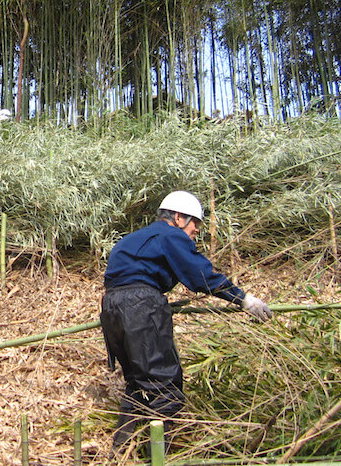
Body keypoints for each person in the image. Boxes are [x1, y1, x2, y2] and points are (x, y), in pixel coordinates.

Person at [101, 191, 272, 454]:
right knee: (165, 389)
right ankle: (155, 459)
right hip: (141, 307)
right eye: (195, 225)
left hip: (112, 308)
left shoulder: (134, 239)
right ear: (178, 217)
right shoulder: (170, 235)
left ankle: (120, 453)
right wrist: (243, 299)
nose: (195, 233)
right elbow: (199, 274)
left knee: (139, 385)